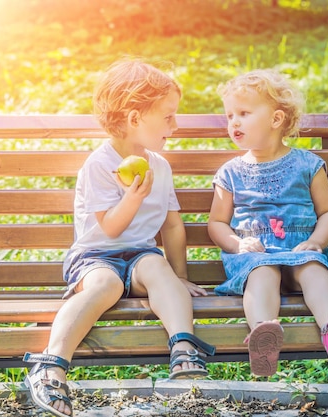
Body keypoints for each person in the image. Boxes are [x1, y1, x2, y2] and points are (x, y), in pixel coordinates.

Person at [23, 58, 215, 417]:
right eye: (168, 116)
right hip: (96, 257)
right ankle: (50, 366)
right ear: (134, 118)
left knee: (161, 272)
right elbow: (109, 228)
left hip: (140, 255)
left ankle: (184, 347)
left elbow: (172, 226)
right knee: (105, 287)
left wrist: (181, 275)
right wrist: (132, 198)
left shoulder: (159, 164)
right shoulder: (100, 165)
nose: (175, 124)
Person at [207, 69, 328, 377]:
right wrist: (237, 244)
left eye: (243, 113)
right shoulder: (230, 172)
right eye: (229, 116)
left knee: (314, 270)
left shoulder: (307, 165)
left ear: (276, 120)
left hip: (300, 250)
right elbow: (217, 224)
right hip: (257, 257)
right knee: (263, 273)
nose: (233, 122)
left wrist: (317, 241)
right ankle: (264, 335)